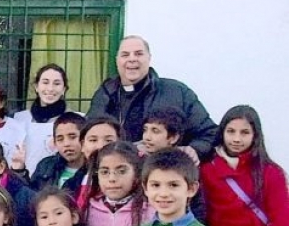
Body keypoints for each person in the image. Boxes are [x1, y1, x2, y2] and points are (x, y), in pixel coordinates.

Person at [86, 36, 217, 164]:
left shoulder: (177, 91)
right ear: (117, 60)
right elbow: (90, 135)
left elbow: (209, 133)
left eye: (138, 54)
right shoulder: (105, 94)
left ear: (149, 58)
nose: (132, 59)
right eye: (125, 55)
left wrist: (194, 149)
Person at [141, 109, 207, 222]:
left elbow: (197, 205)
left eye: (155, 131)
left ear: (173, 138)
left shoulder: (185, 163)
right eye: (145, 130)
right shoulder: (136, 159)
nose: (147, 137)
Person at [13, 64, 73, 175]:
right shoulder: (20, 119)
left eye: (57, 83)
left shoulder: (74, 120)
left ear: (64, 89)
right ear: (36, 86)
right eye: (45, 82)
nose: (50, 89)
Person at [28, 112, 87, 194]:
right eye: (60, 139)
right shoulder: (45, 166)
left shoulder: (94, 170)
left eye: (72, 137)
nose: (66, 144)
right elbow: (31, 197)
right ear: (55, 143)